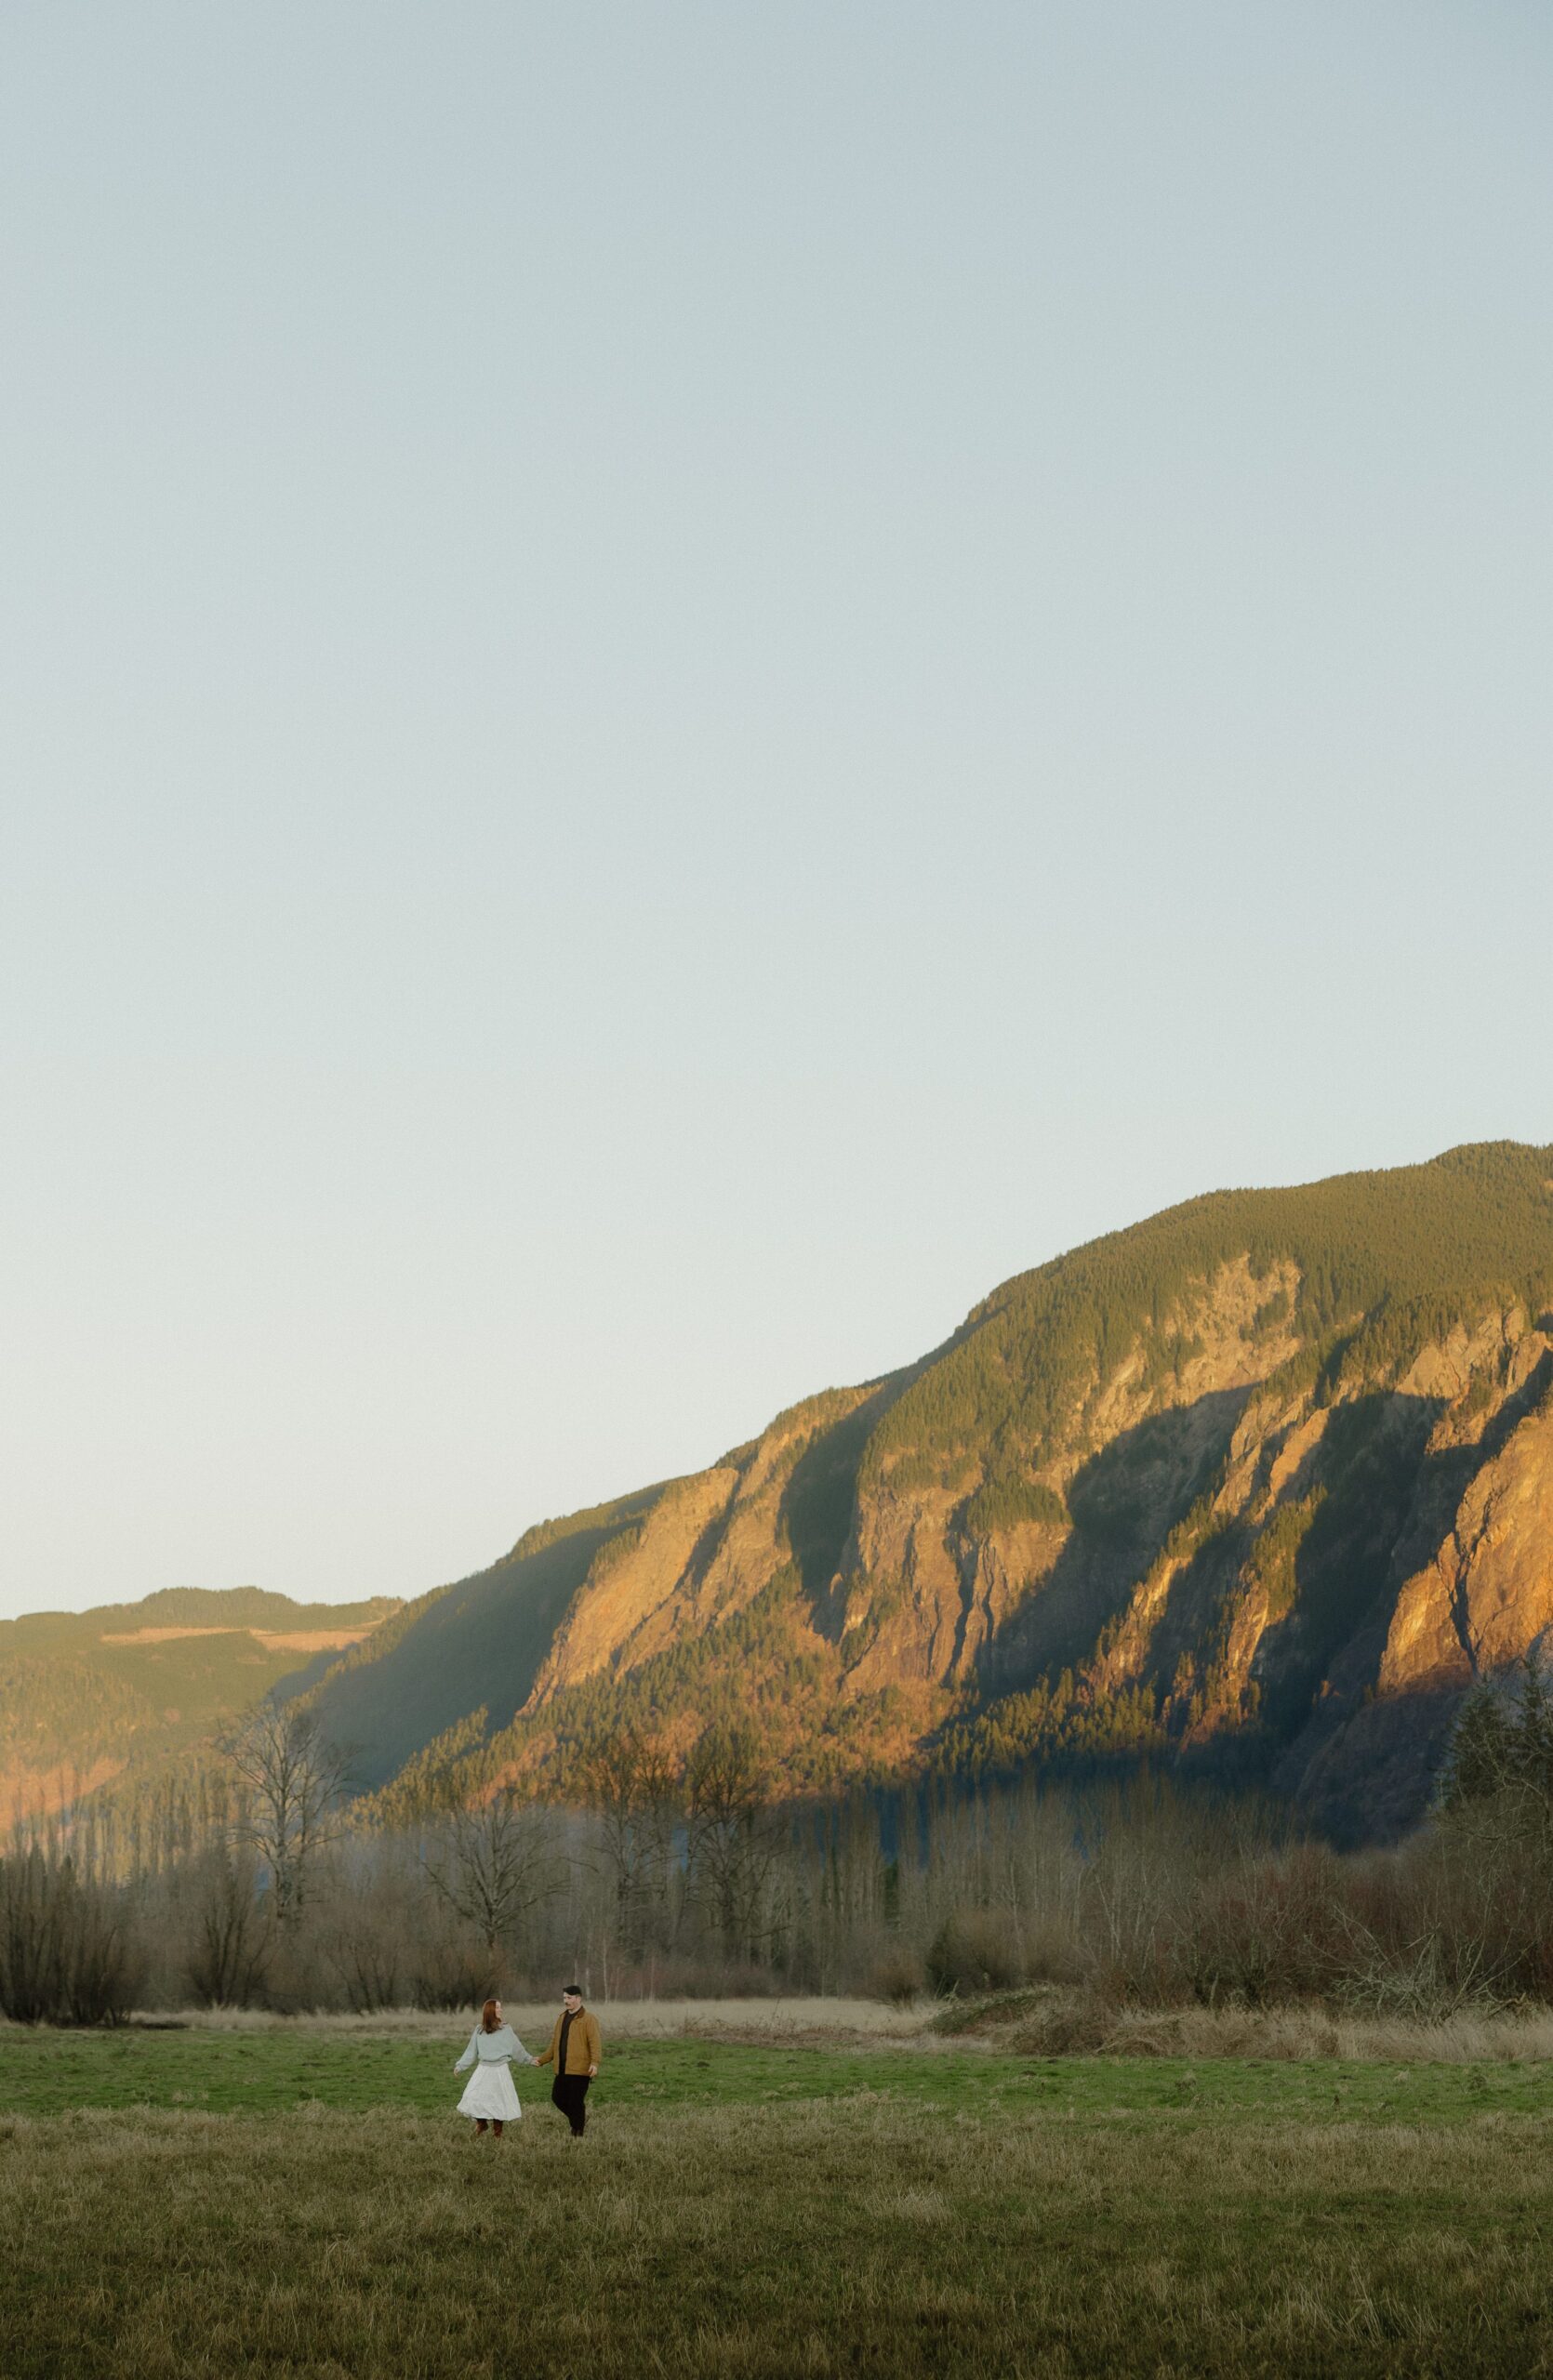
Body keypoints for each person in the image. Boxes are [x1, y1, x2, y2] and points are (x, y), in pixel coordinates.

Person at [453, 1996, 538, 2141]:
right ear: (490, 2011)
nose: (501, 2009)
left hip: (500, 2070)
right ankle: (482, 2124)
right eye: (498, 2007)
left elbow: (517, 2048)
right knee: (475, 2097)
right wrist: (460, 2065)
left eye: (500, 2007)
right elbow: (471, 2051)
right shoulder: (479, 2030)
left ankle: (498, 2133)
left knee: (499, 2101)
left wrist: (529, 2059)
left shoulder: (506, 2029)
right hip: (483, 2069)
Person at [535, 1983, 601, 2137]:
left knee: (576, 2101)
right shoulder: (562, 2018)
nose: (566, 2001)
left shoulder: (589, 2019)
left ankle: (578, 2132)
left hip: (580, 2069)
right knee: (557, 2098)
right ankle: (578, 2120)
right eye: (564, 1997)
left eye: (569, 1998)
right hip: (562, 2068)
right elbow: (554, 2043)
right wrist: (542, 2060)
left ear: (578, 1998)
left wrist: (595, 2063)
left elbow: (595, 2043)